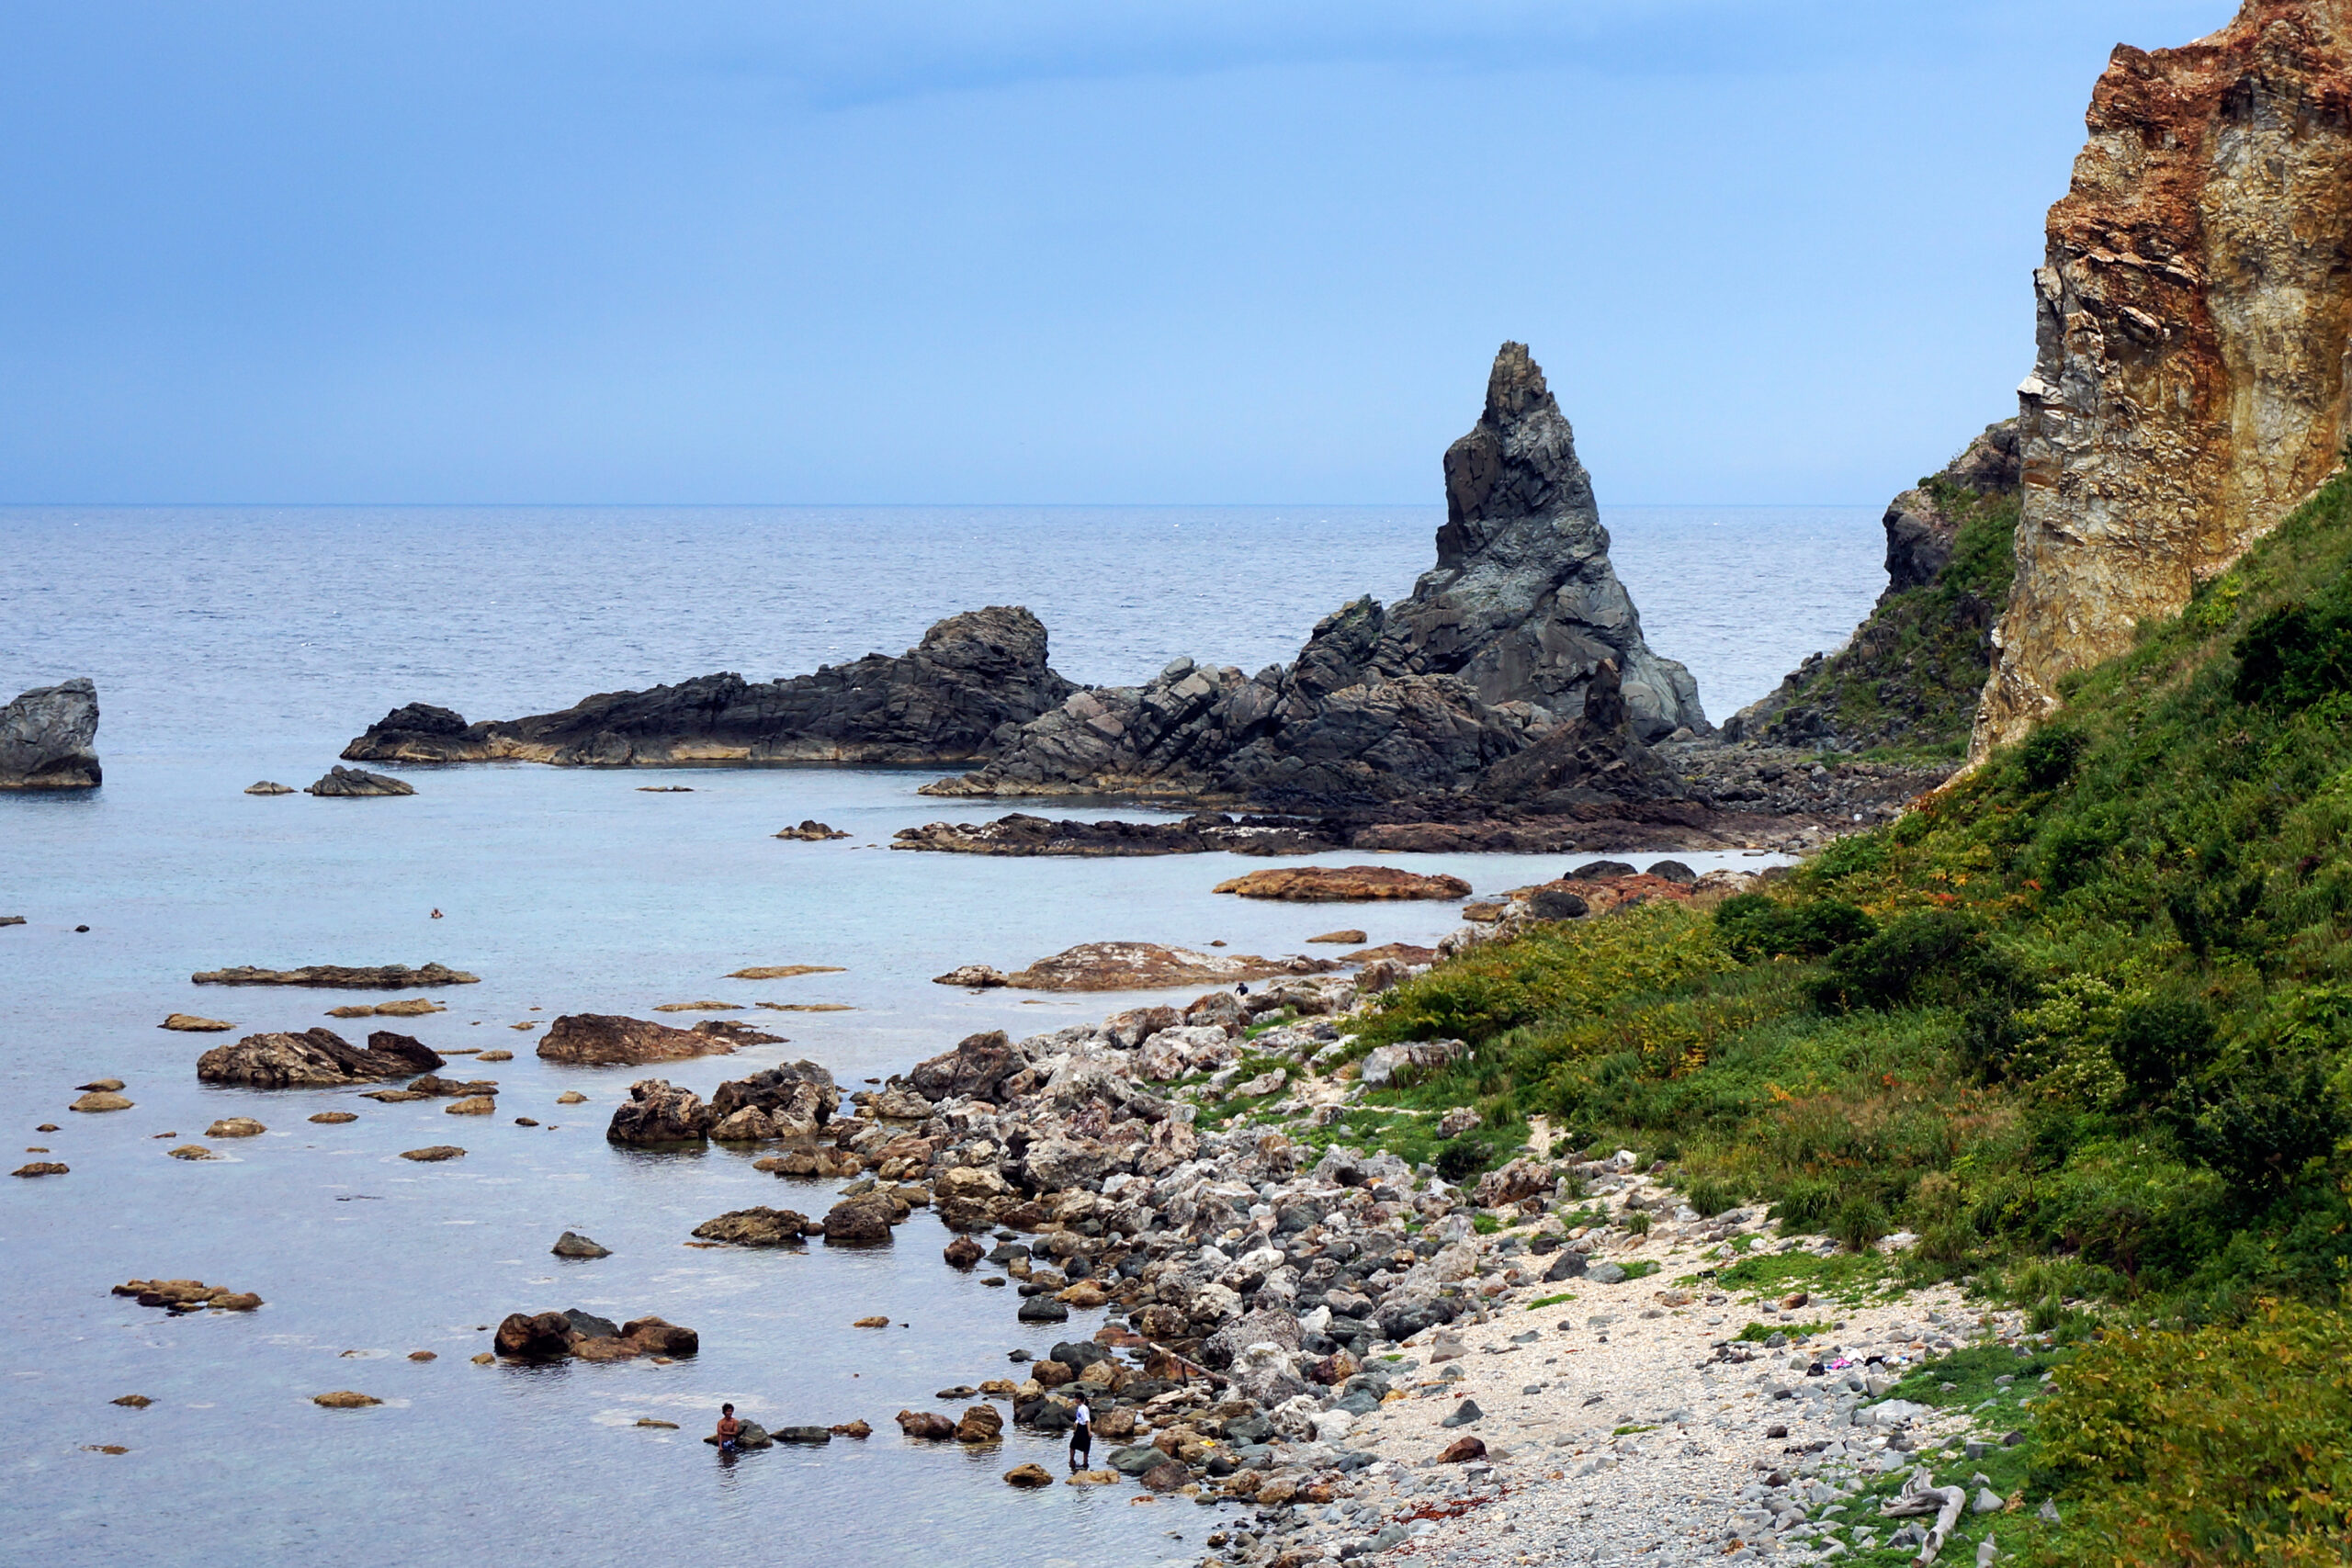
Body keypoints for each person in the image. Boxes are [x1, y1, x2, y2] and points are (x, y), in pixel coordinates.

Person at [1069, 1394, 1091, 1472]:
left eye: (1076, 1398)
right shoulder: (1080, 1407)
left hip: (1084, 1428)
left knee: (1085, 1447)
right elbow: (1079, 1418)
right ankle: (1071, 1460)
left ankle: (1085, 1463)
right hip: (1079, 1427)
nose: (1074, 1399)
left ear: (1079, 1399)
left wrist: (1089, 1432)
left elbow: (1087, 1421)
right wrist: (1075, 1427)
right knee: (1072, 1445)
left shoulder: (1084, 1409)